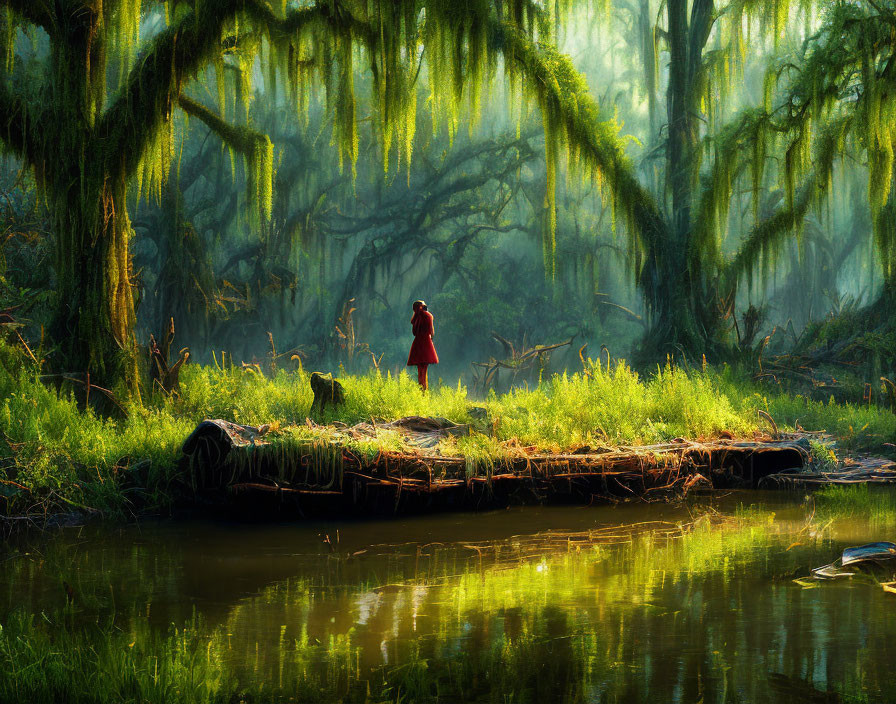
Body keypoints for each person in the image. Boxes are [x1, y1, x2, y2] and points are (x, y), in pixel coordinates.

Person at [407, 300, 438, 391]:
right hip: (426, 342)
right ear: (421, 307)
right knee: (424, 369)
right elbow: (432, 332)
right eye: (424, 305)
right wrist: (430, 339)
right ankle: (424, 390)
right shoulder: (428, 316)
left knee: (420, 369)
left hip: (417, 343)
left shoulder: (415, 318)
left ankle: (421, 389)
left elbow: (414, 333)